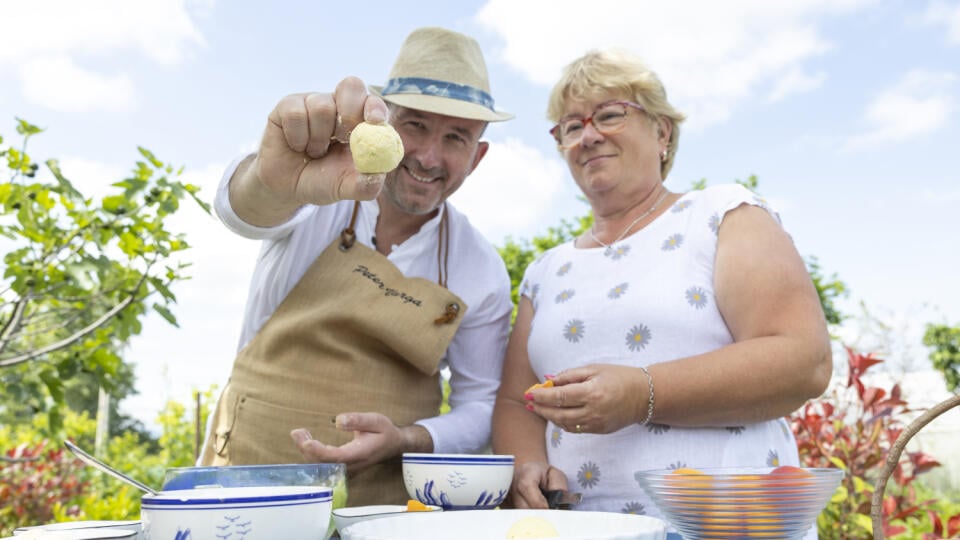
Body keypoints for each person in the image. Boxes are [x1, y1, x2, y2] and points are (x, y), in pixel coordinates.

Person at [490, 48, 832, 533]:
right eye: (571, 127)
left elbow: (804, 359)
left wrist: (641, 392)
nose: (588, 136)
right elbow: (514, 402)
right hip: (584, 528)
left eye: (609, 115)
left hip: (729, 524)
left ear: (662, 132)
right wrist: (525, 462)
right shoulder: (546, 270)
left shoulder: (722, 214)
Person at [199, 27, 514, 506]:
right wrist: (273, 177)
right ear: (383, 123)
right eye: (415, 126)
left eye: (456, 137)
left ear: (478, 157)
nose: (429, 156)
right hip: (247, 484)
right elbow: (240, 211)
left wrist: (407, 439)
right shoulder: (318, 192)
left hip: (384, 509)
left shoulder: (481, 268)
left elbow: (481, 407)